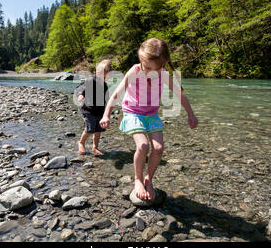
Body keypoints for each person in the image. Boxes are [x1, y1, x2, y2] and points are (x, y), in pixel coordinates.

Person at [100, 39, 198, 201]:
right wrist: (106, 114)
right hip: (132, 112)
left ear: (162, 65)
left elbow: (180, 95)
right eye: (147, 68)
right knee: (143, 145)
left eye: (155, 70)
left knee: (158, 148)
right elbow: (116, 93)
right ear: (141, 60)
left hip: (151, 114)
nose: (149, 73)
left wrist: (191, 114)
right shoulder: (135, 71)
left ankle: (148, 179)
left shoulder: (164, 75)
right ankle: (138, 179)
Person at [75, 59, 111, 156]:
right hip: (88, 110)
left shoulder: (105, 85)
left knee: (99, 130)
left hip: (99, 111)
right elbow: (79, 88)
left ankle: (95, 147)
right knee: (90, 128)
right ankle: (81, 142)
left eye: (107, 77)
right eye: (104, 76)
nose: (105, 78)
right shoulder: (90, 81)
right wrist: (80, 95)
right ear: (98, 73)